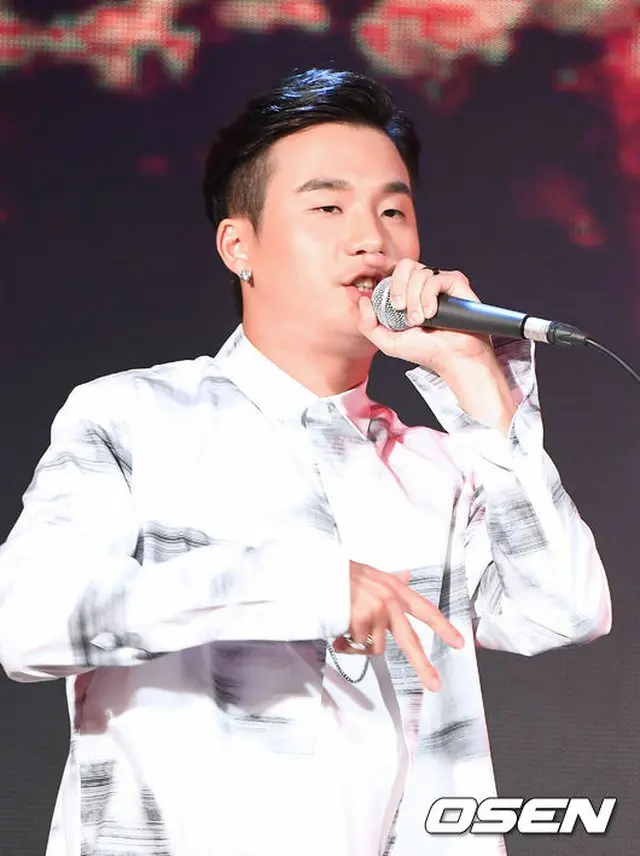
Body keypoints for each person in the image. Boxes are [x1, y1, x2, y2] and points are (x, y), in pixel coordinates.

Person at [0, 68, 611, 856]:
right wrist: (306, 586)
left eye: (393, 210)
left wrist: (476, 387)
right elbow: (26, 623)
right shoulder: (134, 417)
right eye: (328, 208)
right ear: (239, 246)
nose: (371, 239)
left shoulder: (438, 466)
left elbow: (562, 611)